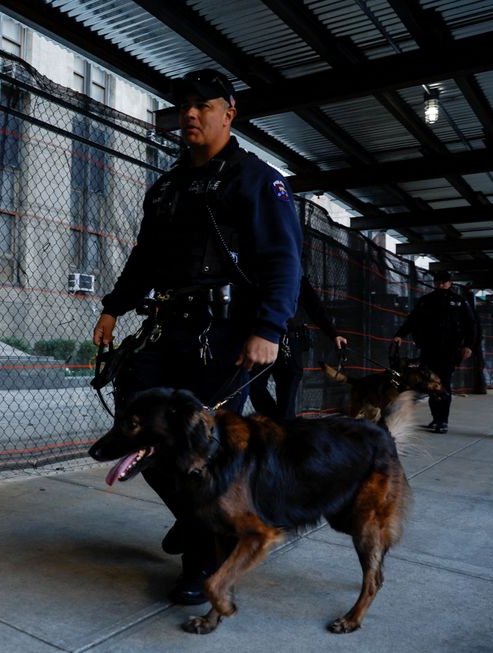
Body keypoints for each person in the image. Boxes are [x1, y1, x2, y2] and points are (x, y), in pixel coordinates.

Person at [91, 69, 302, 605]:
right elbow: (143, 258)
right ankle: (192, 519)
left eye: (201, 105)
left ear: (228, 113)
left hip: (229, 334)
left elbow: (283, 259)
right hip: (166, 327)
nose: (189, 113)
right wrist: (113, 309)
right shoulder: (166, 186)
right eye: (182, 105)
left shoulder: (257, 179)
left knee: (202, 447)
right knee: (136, 424)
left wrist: (269, 328)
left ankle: (201, 562)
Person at [250, 275, 347, 419]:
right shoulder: (259, 273)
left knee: (287, 400)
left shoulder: (295, 275)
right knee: (254, 385)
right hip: (263, 339)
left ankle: (283, 428)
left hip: (291, 342)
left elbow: (315, 307)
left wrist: (333, 334)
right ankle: (277, 424)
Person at [392, 270, 476, 433]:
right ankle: (436, 418)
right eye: (438, 282)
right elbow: (413, 319)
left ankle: (442, 420)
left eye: (444, 282)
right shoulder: (426, 301)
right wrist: (400, 334)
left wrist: (469, 346)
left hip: (450, 350)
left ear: (450, 283)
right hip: (429, 349)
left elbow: (470, 325)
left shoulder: (459, 302)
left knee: (443, 383)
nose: (441, 285)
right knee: (428, 384)